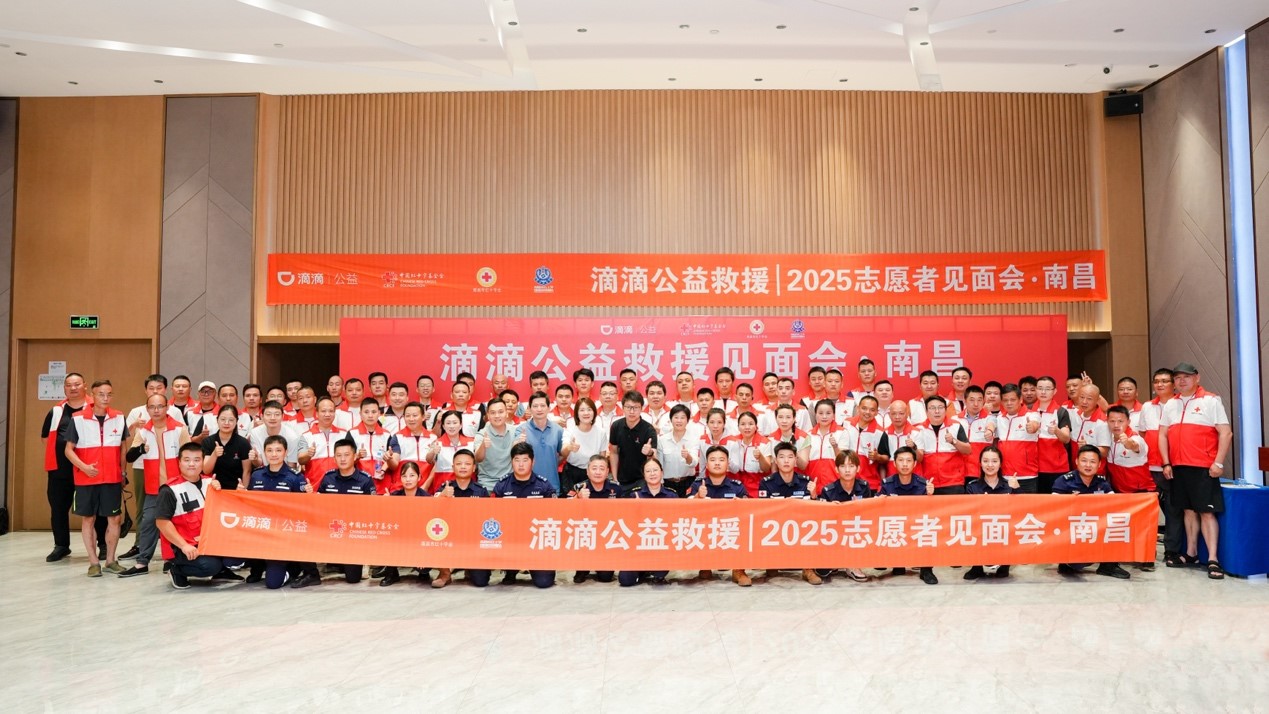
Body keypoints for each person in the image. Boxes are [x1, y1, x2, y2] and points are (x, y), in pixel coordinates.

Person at [1158, 362, 1232, 579]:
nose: (1182, 381)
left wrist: (1218, 463)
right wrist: (1166, 462)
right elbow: (1162, 434)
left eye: (1186, 377)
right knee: (1188, 511)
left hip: (1203, 468)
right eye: (1178, 377)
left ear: (1196, 378)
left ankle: (1213, 559)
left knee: (1206, 512)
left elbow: (1225, 433)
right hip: (1178, 467)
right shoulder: (1171, 404)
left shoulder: (1211, 400)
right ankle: (1191, 553)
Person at [118, 393, 190, 577]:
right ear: (147, 409)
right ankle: (142, 563)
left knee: (175, 524)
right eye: (152, 407)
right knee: (149, 522)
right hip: (154, 487)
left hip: (176, 487)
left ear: (167, 407)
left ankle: (171, 560)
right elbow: (130, 457)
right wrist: (141, 449)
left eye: (160, 406)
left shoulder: (179, 429)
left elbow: (190, 456)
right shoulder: (144, 431)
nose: (156, 410)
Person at [62, 380, 129, 576]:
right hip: (86, 479)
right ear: (92, 395)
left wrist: (123, 473)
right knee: (88, 519)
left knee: (115, 519)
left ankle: (111, 560)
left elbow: (123, 448)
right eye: (101, 394)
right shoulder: (77, 419)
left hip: (112, 478)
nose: (105, 398)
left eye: (109, 394)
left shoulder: (119, 417)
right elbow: (68, 450)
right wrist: (83, 467)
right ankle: (93, 563)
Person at [156, 442, 240, 589]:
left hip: (210, 542)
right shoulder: (169, 490)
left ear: (202, 462)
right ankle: (175, 569)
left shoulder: (211, 482)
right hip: (186, 546)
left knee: (238, 556)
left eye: (196, 460)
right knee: (210, 566)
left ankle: (221, 570)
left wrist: (237, 493)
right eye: (187, 460)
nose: (192, 464)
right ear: (179, 462)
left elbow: (225, 512)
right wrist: (184, 546)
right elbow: (162, 522)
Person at [244, 435, 315, 589]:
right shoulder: (256, 475)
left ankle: (293, 568)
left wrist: (309, 495)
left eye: (278, 450)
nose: (274, 454)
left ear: (286, 452)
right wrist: (240, 494)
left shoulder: (295, 477)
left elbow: (304, 509)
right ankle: (257, 568)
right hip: (261, 531)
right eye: (269, 450)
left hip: (284, 534)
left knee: (273, 583)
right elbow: (250, 504)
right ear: (264, 453)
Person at [1052, 445, 1131, 579]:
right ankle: (1066, 562)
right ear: (1076, 461)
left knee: (1117, 524)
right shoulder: (1064, 481)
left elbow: (1116, 503)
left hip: (1096, 527)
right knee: (1080, 563)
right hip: (1072, 529)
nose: (1088, 465)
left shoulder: (1102, 482)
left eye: (1093, 462)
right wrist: (1068, 502)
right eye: (1084, 461)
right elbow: (1051, 507)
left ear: (1099, 464)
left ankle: (1108, 565)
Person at [40, 372, 93, 562]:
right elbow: (45, 438)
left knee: (95, 508)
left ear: (85, 386)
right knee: (58, 508)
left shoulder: (94, 408)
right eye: (69, 385)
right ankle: (61, 546)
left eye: (77, 384)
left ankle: (103, 545)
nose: (73, 388)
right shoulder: (56, 411)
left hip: (88, 468)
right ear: (64, 388)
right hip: (59, 469)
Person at [491, 442, 558, 587]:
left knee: (544, 582)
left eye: (525, 460)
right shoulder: (502, 485)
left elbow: (554, 514)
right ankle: (510, 569)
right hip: (510, 538)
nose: (521, 464)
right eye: (517, 460)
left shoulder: (544, 485)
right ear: (511, 462)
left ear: (533, 462)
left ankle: (534, 565)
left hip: (536, 539)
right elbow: (493, 515)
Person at [312, 438, 378, 584]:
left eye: (346, 455)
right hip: (331, 529)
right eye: (339, 455)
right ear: (334, 458)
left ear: (354, 456)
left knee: (353, 579)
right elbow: (319, 504)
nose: (342, 459)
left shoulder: (365, 480)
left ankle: (357, 561)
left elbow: (372, 509)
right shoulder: (328, 478)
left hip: (353, 534)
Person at [759, 442, 822, 585]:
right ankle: (771, 563)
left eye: (790, 457)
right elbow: (763, 511)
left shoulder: (806, 482)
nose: (786, 461)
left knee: (813, 527)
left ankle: (808, 568)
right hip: (775, 525)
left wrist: (813, 495)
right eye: (782, 457)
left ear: (795, 460)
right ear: (776, 461)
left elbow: (813, 511)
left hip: (800, 526)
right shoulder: (766, 483)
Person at [689, 445, 753, 586]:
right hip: (706, 528)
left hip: (730, 528)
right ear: (706, 464)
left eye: (721, 460)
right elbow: (686, 508)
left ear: (728, 464)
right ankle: (705, 565)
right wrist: (698, 496)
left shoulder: (737, 486)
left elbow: (748, 510)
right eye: (713, 460)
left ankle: (738, 570)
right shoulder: (698, 485)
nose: (717, 463)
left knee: (744, 529)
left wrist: (741, 504)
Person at [432, 449, 492, 588]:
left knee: (481, 582)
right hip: (449, 537)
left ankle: (469, 567)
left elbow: (488, 518)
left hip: (474, 540)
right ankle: (445, 573)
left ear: (474, 467)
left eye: (467, 464)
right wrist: (442, 496)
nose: (463, 467)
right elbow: (432, 513)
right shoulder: (445, 488)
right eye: (459, 464)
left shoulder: (481, 491)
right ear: (453, 467)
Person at [1141, 368, 1184, 563]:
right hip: (1150, 468)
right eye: (1157, 381)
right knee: (1150, 511)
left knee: (1173, 510)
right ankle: (1146, 552)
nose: (1160, 384)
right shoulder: (1147, 407)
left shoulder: (1181, 405)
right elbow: (1143, 434)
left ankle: (1171, 551)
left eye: (1165, 381)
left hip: (1172, 467)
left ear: (1173, 384)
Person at [878, 447, 938, 584]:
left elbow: (932, 512)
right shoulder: (887, 484)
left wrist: (930, 495)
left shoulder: (924, 484)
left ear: (915, 463)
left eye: (908, 461)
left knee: (928, 528)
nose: (905, 464)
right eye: (901, 460)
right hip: (896, 526)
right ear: (894, 463)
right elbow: (878, 509)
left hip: (917, 526)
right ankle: (898, 562)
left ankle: (926, 569)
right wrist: (879, 500)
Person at [618, 457, 677, 587]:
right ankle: (642, 570)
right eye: (648, 471)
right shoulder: (635, 495)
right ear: (644, 475)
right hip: (639, 545)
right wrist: (635, 509)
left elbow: (676, 522)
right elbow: (626, 524)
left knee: (659, 574)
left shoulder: (671, 495)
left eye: (655, 470)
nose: (652, 473)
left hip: (662, 544)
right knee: (625, 580)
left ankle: (653, 570)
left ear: (662, 472)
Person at [963, 446, 1021, 580]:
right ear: (980, 463)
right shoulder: (972, 486)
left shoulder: (1009, 485)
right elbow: (967, 513)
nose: (990, 465)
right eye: (986, 461)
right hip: (980, 528)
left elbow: (1021, 511)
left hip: (1004, 529)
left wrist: (1017, 490)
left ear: (1000, 464)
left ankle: (1005, 563)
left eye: (994, 461)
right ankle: (977, 566)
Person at [816, 450, 872, 583]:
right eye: (843, 466)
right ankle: (836, 560)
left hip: (856, 531)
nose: (847, 470)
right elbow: (821, 520)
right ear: (836, 469)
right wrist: (831, 510)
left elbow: (870, 514)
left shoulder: (864, 487)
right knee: (822, 571)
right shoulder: (828, 491)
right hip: (834, 533)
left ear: (858, 468)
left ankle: (853, 564)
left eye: (851, 466)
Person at [569, 454, 622, 584]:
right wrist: (578, 498)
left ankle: (601, 564)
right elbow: (564, 508)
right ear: (587, 471)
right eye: (594, 468)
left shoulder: (616, 488)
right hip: (585, 532)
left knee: (605, 577)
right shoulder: (579, 487)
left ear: (607, 472)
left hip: (607, 533)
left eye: (602, 469)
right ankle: (582, 568)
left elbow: (624, 511)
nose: (598, 472)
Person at [378, 461, 430, 587]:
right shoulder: (394, 496)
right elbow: (386, 521)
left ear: (419, 477)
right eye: (404, 476)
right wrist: (384, 504)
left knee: (424, 567)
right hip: (400, 538)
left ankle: (424, 573)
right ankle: (391, 572)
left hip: (419, 540)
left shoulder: (427, 499)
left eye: (412, 475)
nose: (408, 479)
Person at [992, 383, 1041, 492]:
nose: (1009, 403)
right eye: (1005, 400)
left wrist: (1032, 427)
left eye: (1012, 400)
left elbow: (1035, 424)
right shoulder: (1000, 418)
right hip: (1004, 475)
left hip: (1027, 476)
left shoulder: (1032, 415)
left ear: (1020, 399)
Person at [608, 390, 659, 494]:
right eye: (628, 407)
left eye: (635, 407)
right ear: (623, 407)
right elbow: (613, 452)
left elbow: (654, 458)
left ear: (641, 408)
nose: (632, 411)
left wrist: (649, 452)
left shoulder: (649, 429)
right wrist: (615, 478)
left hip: (642, 480)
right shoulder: (616, 426)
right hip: (621, 479)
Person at [516, 391, 565, 493]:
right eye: (535, 406)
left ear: (549, 408)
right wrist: (518, 443)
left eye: (542, 406)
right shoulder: (521, 429)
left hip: (552, 485)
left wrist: (552, 461)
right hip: (526, 486)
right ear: (530, 409)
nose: (539, 409)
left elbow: (562, 454)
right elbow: (514, 452)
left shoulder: (558, 430)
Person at [919, 396, 970, 495]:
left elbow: (968, 450)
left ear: (946, 410)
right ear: (926, 411)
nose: (937, 411)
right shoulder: (919, 429)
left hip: (953, 482)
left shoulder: (956, 425)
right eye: (932, 408)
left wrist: (954, 441)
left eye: (940, 407)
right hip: (928, 483)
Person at [800, 399, 852, 495]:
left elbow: (844, 459)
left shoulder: (842, 432)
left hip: (835, 486)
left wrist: (835, 447)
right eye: (820, 413)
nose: (824, 416)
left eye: (828, 413)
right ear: (815, 415)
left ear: (834, 415)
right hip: (813, 486)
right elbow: (803, 464)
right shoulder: (809, 434)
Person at [1033, 376, 1073, 494]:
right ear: (1036, 390)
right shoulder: (1028, 411)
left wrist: (1056, 431)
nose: (1043, 392)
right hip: (1034, 467)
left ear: (1054, 391)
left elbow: (1066, 439)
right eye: (1040, 388)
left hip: (1056, 467)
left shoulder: (1061, 412)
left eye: (1047, 389)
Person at [298, 397, 348, 488]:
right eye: (323, 411)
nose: (327, 414)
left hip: (340, 486)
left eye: (331, 411)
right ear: (317, 413)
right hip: (314, 486)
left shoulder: (344, 434)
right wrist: (308, 454)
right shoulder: (306, 436)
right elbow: (300, 459)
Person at [200, 405, 253, 491]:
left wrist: (243, 489)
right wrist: (214, 454)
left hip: (236, 490)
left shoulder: (243, 443)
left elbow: (246, 471)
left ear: (236, 421)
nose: (226, 423)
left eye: (231, 420)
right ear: (217, 420)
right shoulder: (208, 442)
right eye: (223, 419)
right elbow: (206, 470)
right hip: (214, 490)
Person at [350, 399, 398, 494]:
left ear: (379, 413)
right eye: (366, 412)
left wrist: (384, 468)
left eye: (374, 412)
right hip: (358, 484)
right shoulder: (352, 433)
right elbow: (346, 461)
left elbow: (392, 462)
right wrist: (357, 457)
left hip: (382, 484)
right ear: (360, 414)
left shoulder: (387, 435)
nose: (370, 415)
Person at [561, 398, 608, 492]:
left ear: (594, 412)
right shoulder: (570, 431)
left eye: (589, 409)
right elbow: (563, 451)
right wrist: (569, 447)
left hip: (593, 473)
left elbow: (602, 458)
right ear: (577, 414)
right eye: (582, 410)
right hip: (572, 473)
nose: (586, 413)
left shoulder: (601, 433)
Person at [722, 411, 771, 497]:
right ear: (738, 427)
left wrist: (760, 457)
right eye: (743, 424)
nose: (747, 427)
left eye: (751, 424)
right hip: (736, 484)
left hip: (757, 484)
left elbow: (767, 469)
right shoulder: (732, 441)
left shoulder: (765, 442)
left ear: (756, 426)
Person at [425, 409, 474, 493]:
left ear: (461, 425)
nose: (451, 426)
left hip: (467, 487)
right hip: (443, 486)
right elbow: (429, 460)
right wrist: (433, 452)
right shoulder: (437, 443)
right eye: (448, 423)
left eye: (455, 423)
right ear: (443, 426)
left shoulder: (471, 442)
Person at [655, 404, 698, 497]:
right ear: (671, 419)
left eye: (682, 417)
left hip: (688, 482)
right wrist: (660, 483)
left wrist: (688, 457)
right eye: (676, 417)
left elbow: (694, 463)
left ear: (688, 420)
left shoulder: (693, 439)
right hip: (668, 483)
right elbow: (659, 465)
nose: (679, 421)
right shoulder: (662, 440)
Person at [249, 399, 303, 472]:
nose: (272, 418)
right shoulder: (255, 433)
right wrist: (255, 459)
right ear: (262, 416)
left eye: (277, 414)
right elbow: (259, 463)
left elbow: (292, 465)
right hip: (265, 472)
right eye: (268, 414)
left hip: (285, 472)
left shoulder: (292, 436)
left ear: (283, 416)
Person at [851, 395, 890, 492]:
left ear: (876, 412)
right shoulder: (847, 424)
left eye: (872, 410)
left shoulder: (880, 433)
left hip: (869, 483)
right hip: (846, 481)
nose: (867, 412)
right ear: (858, 408)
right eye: (864, 408)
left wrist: (877, 457)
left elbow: (886, 458)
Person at [474, 399, 515, 490]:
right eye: (493, 413)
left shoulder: (515, 431)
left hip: (510, 482)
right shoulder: (481, 434)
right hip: (487, 483)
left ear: (506, 413)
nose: (497, 416)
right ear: (488, 415)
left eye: (500, 412)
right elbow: (478, 458)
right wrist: (483, 446)